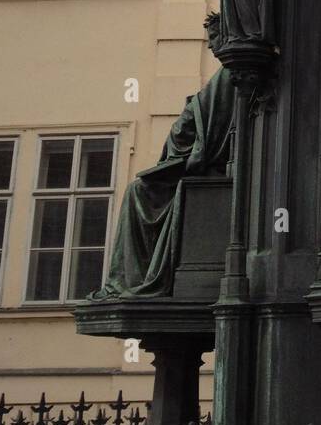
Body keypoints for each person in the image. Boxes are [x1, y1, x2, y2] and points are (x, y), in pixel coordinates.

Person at [89, 15, 235, 299]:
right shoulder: (226, 75)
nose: (212, 46)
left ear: (230, 35)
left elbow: (199, 130)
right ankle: (131, 279)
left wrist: (188, 151)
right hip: (191, 166)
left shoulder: (231, 73)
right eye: (210, 40)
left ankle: (134, 281)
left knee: (138, 194)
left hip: (198, 170)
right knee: (138, 191)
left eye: (216, 38)